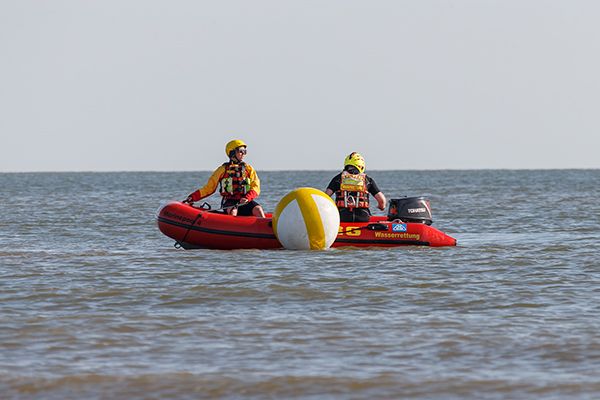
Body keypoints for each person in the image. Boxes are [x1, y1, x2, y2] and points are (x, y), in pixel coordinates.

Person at [183, 139, 266, 218]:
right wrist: (193, 197)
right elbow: (209, 188)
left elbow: (256, 187)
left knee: (258, 209)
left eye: (245, 151)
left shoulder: (248, 169)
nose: (243, 154)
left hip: (245, 200)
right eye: (240, 151)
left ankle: (265, 229)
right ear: (232, 152)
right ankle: (232, 230)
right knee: (233, 211)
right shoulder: (222, 170)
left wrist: (247, 198)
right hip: (230, 201)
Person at [325, 152, 386, 222]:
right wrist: (381, 207)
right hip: (363, 217)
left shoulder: (338, 179)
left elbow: (326, 196)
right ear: (361, 166)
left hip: (342, 217)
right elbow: (382, 200)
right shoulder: (367, 180)